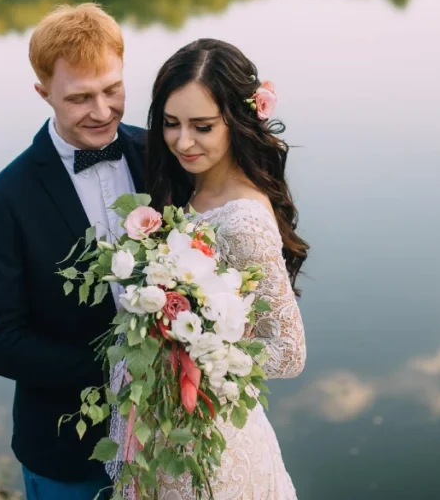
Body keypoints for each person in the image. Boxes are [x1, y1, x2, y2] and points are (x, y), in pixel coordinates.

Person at [0, 2, 146, 500]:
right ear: (43, 92)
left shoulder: (160, 155)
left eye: (113, 90)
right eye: (79, 98)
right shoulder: (6, 197)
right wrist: (120, 371)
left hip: (168, 437)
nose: (102, 110)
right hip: (67, 450)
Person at [128, 37, 309, 499]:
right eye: (171, 124)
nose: (182, 142)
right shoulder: (191, 190)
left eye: (202, 127)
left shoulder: (244, 220)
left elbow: (288, 352)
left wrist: (198, 352)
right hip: (176, 426)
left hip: (217, 439)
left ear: (237, 121)